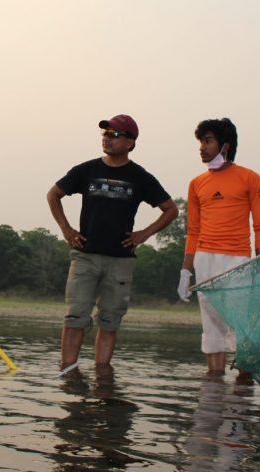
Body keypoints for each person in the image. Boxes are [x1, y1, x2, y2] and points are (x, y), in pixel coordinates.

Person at [47, 115, 177, 369]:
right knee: (75, 316)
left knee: (110, 321)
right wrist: (66, 229)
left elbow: (170, 209)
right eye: (105, 134)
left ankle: (102, 379)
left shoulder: (140, 177)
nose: (107, 139)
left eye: (115, 135)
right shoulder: (86, 170)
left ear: (130, 142)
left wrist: (144, 234)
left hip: (120, 260)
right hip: (85, 255)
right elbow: (54, 194)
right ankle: (68, 373)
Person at [177, 118, 260, 377]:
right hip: (204, 259)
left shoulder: (250, 178)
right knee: (211, 323)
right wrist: (186, 271)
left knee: (241, 323)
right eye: (200, 142)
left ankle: (242, 391)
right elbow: (193, 231)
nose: (202, 148)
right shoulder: (196, 184)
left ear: (225, 145)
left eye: (208, 141)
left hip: (237, 259)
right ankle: (214, 388)